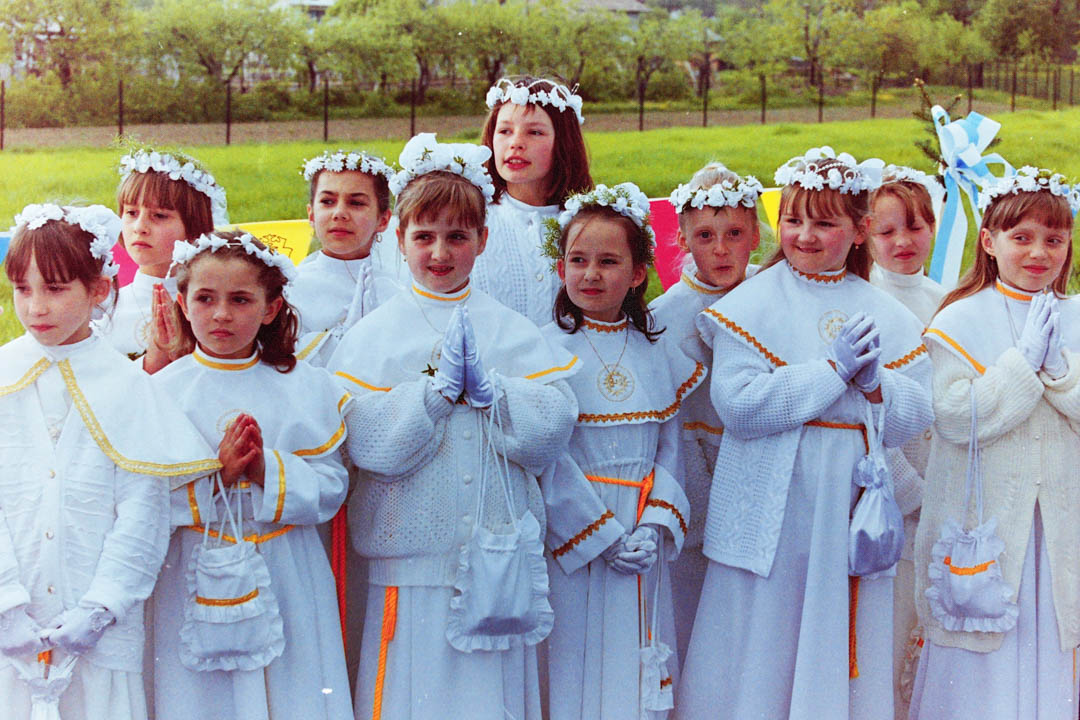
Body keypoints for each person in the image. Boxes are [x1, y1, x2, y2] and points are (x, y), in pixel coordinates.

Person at [676, 147, 934, 720]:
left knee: (839, 627)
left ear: (859, 230)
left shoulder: (883, 310)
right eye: (793, 220)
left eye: (824, 223)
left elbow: (917, 414)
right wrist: (831, 372)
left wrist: (877, 387)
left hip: (847, 502)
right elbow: (740, 406)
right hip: (774, 502)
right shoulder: (752, 304)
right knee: (765, 633)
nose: (806, 236)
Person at [328, 133, 579, 720]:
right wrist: (432, 398)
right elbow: (365, 443)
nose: (440, 252)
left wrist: (497, 397)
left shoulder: (511, 329)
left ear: (482, 240)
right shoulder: (373, 335)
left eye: (457, 237)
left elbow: (553, 429)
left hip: (497, 564)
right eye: (424, 236)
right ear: (400, 239)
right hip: (408, 570)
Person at [0, 204, 218, 720]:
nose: (35, 307)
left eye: (55, 289)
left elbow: (142, 515)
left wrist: (102, 607)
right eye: (23, 289)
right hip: (11, 628)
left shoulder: (128, 389)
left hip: (99, 634)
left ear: (98, 290)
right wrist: (6, 604)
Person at [151, 231, 353, 720]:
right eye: (205, 298)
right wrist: (216, 476)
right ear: (182, 303)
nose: (221, 314)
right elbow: (145, 497)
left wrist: (266, 470)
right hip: (194, 564)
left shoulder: (305, 386)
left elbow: (331, 487)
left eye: (240, 299)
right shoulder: (161, 393)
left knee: (293, 686)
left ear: (270, 308)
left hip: (287, 567)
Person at [910, 167, 1080, 720]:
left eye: (1054, 239)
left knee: (1053, 634)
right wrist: (1021, 365)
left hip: (1059, 524)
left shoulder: (1075, 316)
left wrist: (1061, 372)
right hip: (988, 524)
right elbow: (956, 417)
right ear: (988, 240)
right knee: (984, 648)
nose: (1039, 253)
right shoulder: (960, 318)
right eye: (1021, 237)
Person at [540, 182, 704, 720]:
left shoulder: (657, 351)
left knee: (638, 653)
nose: (590, 274)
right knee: (574, 655)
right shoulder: (543, 350)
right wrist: (601, 535)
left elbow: (671, 447)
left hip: (641, 535)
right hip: (575, 537)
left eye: (608, 262)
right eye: (578, 260)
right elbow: (548, 458)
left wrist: (654, 525)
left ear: (638, 274)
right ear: (561, 267)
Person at [649, 163, 763, 668]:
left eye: (734, 234)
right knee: (695, 626)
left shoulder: (769, 296)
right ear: (682, 239)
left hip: (761, 480)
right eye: (705, 236)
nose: (721, 249)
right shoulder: (665, 318)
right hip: (696, 492)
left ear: (755, 236)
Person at [866, 165, 947, 718]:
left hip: (940, 487)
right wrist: (909, 489)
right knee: (887, 621)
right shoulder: (864, 298)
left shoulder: (947, 302)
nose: (902, 242)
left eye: (916, 228)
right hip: (887, 495)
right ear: (865, 233)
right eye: (887, 230)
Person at [97, 147, 226, 372]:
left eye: (159, 216)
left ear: (195, 227)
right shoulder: (103, 307)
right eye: (131, 213)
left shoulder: (218, 307)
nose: (140, 228)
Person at [292, 150, 401, 366]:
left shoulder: (396, 288)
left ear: (383, 219)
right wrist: (342, 337)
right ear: (311, 214)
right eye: (328, 201)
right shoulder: (291, 289)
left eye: (356, 203)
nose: (339, 213)